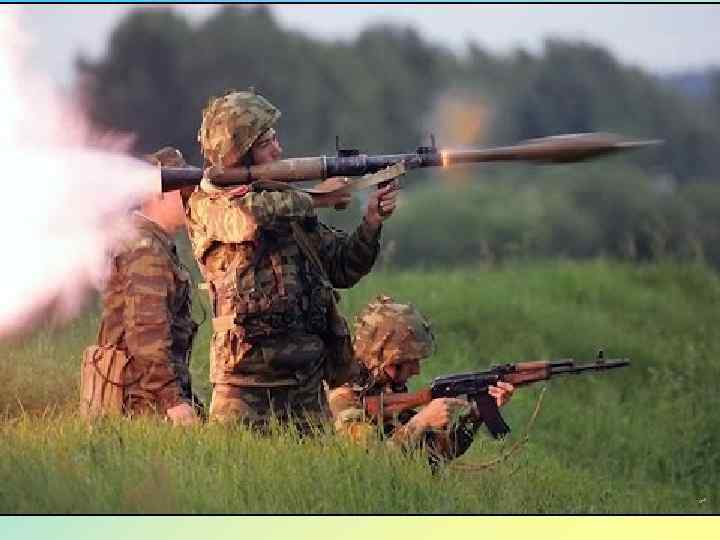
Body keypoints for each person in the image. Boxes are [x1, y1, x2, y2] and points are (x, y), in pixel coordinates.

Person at [184, 89, 401, 430]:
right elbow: (248, 218)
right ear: (238, 154)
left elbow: (342, 267)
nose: (278, 149)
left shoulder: (285, 201)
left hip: (306, 385)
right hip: (245, 385)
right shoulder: (207, 204)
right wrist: (318, 198)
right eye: (266, 142)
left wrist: (371, 222)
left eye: (275, 139)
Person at [80, 147, 201, 426]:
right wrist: (173, 402)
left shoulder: (151, 241)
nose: (192, 198)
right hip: (143, 404)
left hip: (146, 395)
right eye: (184, 191)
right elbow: (147, 334)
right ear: (159, 194)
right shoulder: (146, 249)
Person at [328, 296, 515, 466]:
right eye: (410, 361)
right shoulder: (342, 398)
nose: (417, 370)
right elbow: (372, 464)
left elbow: (439, 453)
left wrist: (476, 412)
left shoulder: (384, 391)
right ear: (387, 359)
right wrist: (420, 422)